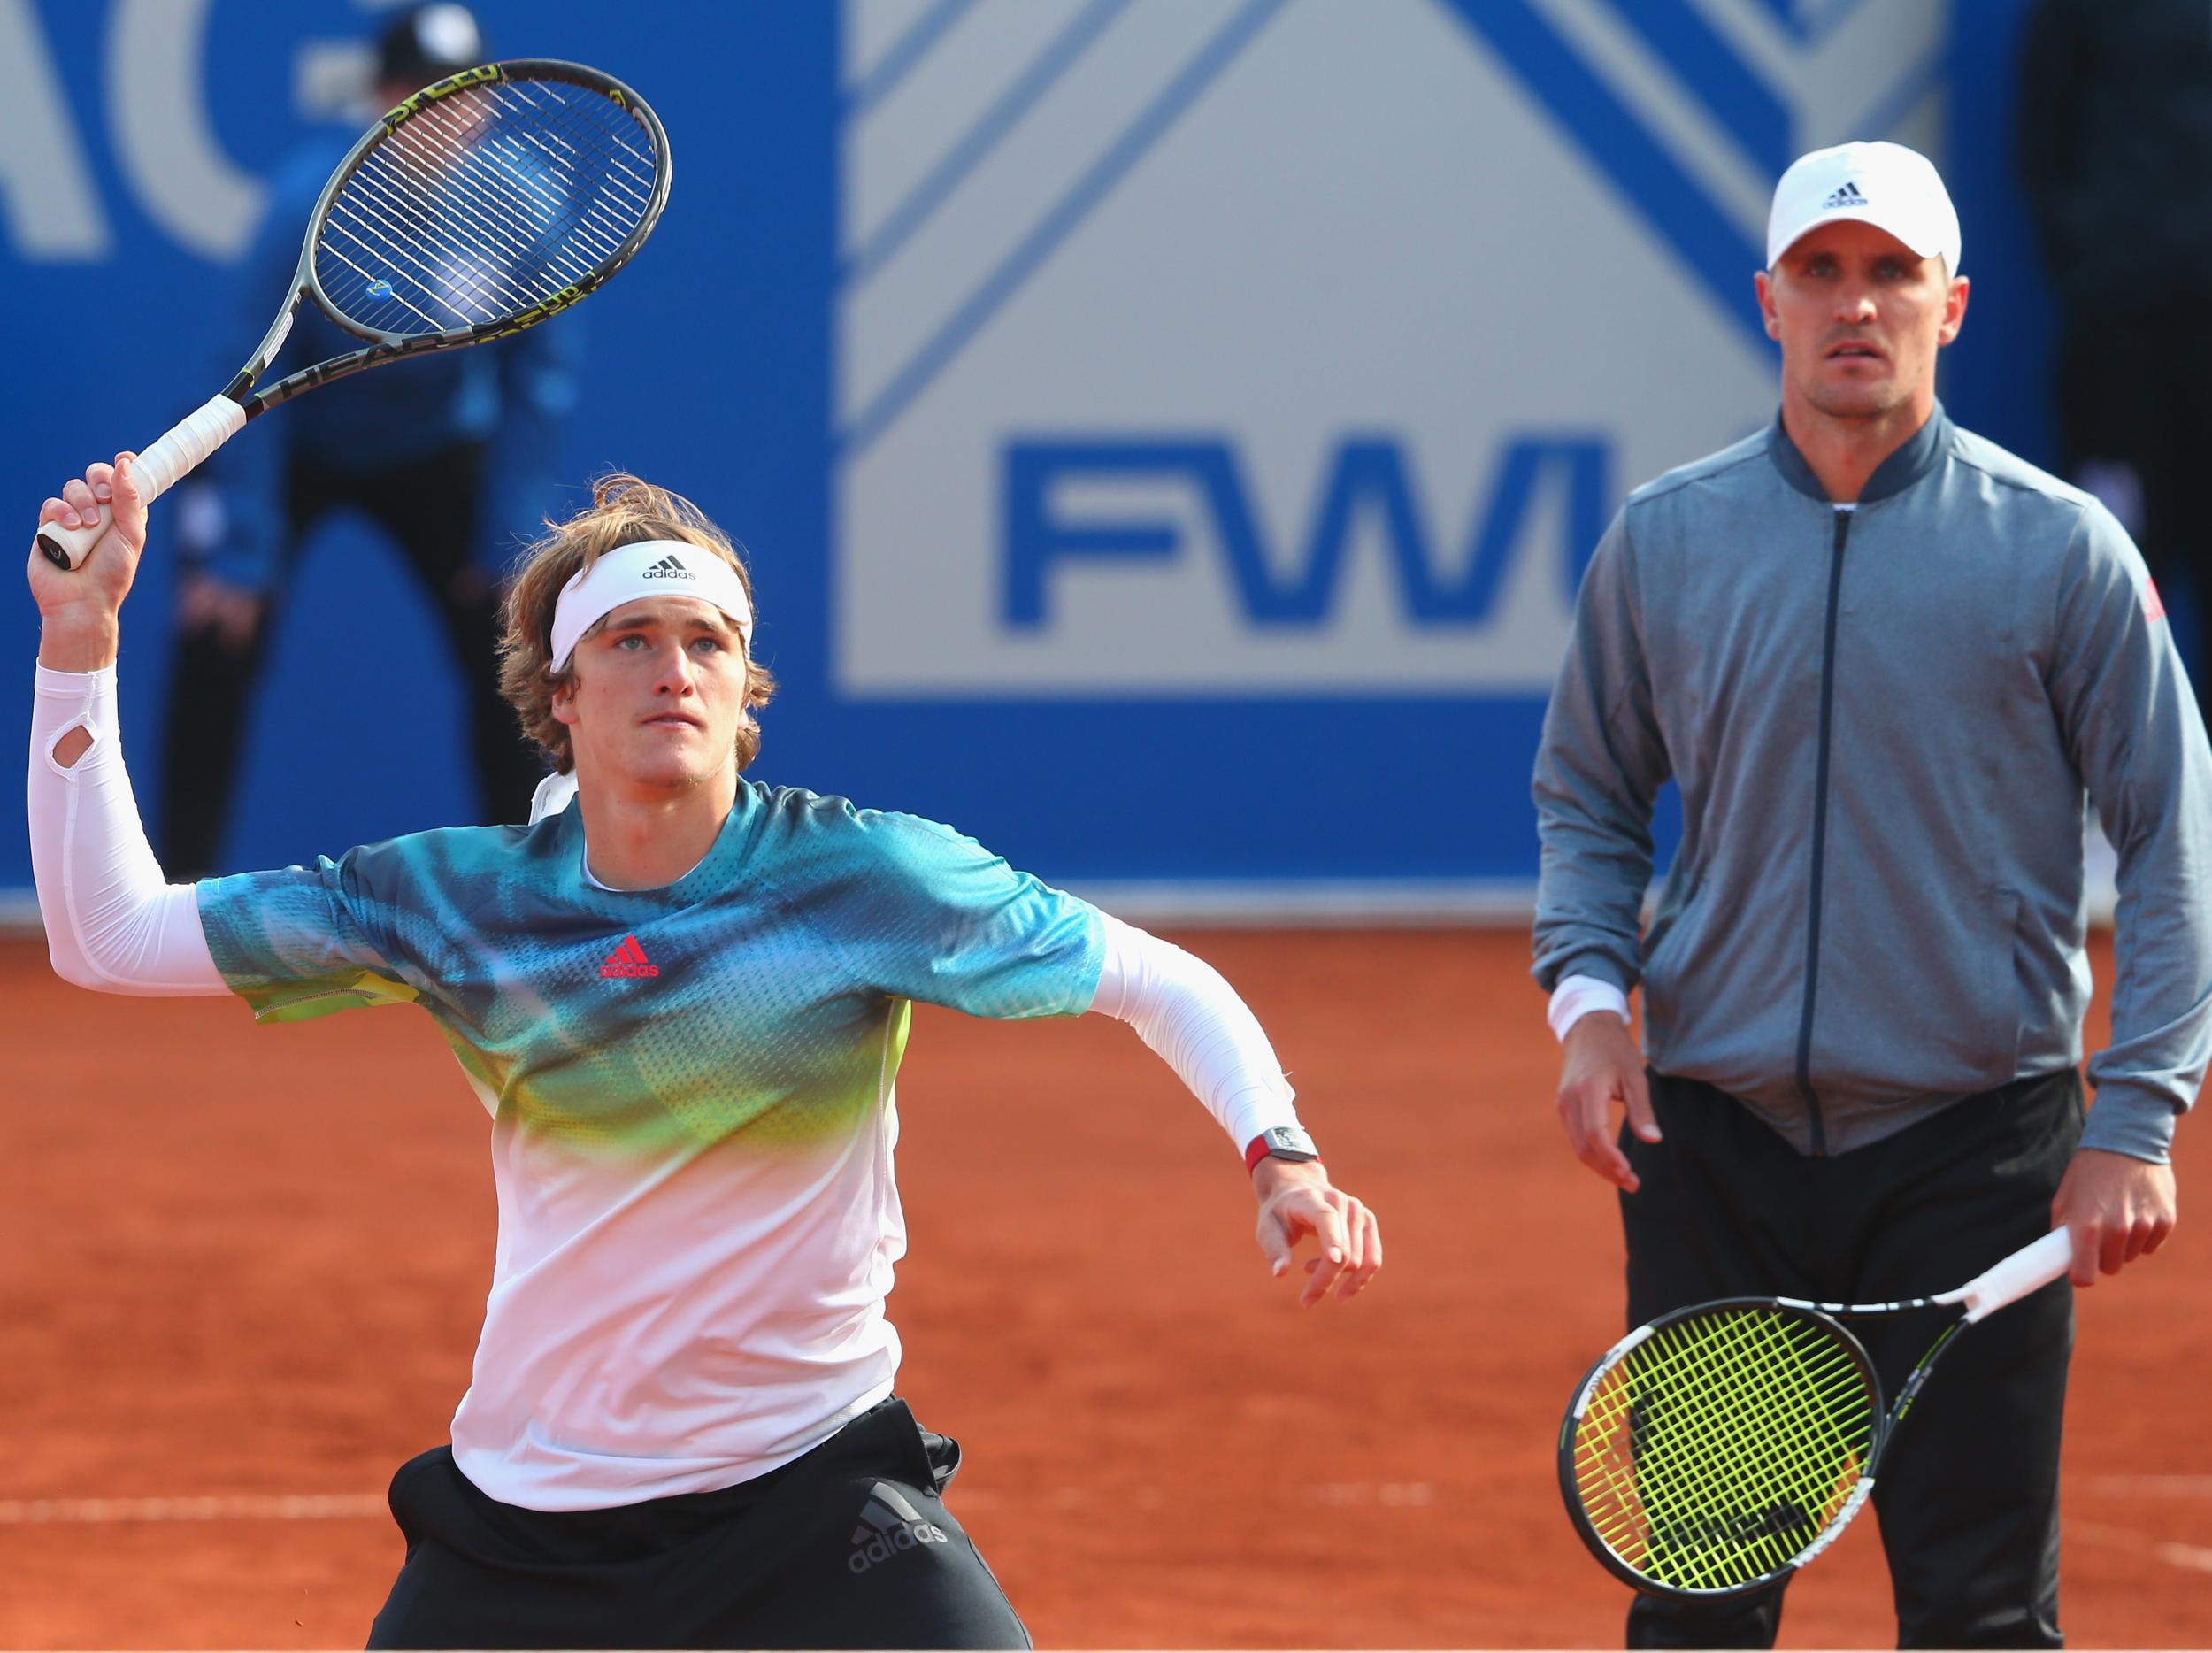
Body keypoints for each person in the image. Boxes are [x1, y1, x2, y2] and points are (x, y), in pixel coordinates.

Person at [27, 464, 1383, 1651]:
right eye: (628, 640)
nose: (673, 668)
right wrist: (78, 646)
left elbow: (1158, 980)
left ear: (745, 689)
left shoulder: (863, 876)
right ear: (559, 694)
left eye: (707, 641)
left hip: (812, 1496)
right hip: (532, 1523)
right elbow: (106, 934)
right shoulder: (458, 901)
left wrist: (1285, 1157)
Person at [1532, 140, 2208, 1649]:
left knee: (1976, 1616)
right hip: (1716, 1153)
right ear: (1767, 299)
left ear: (1951, 305)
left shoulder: (2062, 552)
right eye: (1823, 272)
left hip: (1976, 1155)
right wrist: (1590, 1005)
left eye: (1892, 272)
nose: (1857, 304)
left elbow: (2173, 837)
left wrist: (2139, 1114)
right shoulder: (1667, 538)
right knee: (1700, 1606)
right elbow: (1585, 793)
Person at [159, 3, 567, 874]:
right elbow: (247, 378)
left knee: (512, 654)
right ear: (381, 100)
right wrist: (241, 552)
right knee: (216, 631)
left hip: (435, 446)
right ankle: (174, 894)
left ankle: (531, 887)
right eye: (420, 95)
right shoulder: (304, 204)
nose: (442, 117)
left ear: (488, 104)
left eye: (462, 96)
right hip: (292, 435)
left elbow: (537, 377)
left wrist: (506, 527)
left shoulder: (519, 205)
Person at [2016, 0, 2212, 733]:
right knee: (2112, 571)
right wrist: (2096, 260)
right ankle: (2103, 807)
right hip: (2118, 338)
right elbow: (2040, 136)